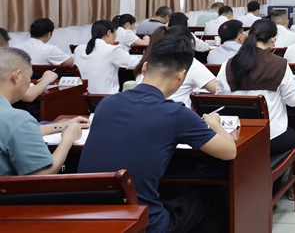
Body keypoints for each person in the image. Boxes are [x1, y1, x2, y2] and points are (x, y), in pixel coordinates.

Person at [79, 35, 237, 233]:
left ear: (144, 68)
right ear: (181, 76)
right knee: (204, 201)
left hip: (90, 220)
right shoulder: (176, 114)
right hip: (142, 224)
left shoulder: (106, 103)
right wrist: (215, 124)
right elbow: (229, 151)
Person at [216, 19, 295, 155]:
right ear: (273, 39)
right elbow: (293, 100)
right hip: (272, 137)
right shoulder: (280, 64)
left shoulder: (227, 65)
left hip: (236, 136)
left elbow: (220, 98)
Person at [0, 47, 87, 176]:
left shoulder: (15, 122)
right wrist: (68, 139)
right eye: (30, 77)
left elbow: (14, 132)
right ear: (16, 76)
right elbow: (41, 175)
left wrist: (63, 126)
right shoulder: (17, 119)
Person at [136, 26, 217, 107]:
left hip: (144, 109)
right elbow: (218, 89)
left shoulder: (149, 59)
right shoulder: (190, 63)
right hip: (175, 111)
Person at [74, 20, 133, 94]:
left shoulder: (78, 49)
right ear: (109, 33)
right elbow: (133, 63)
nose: (115, 37)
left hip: (82, 97)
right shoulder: (111, 50)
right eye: (115, 34)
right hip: (107, 97)